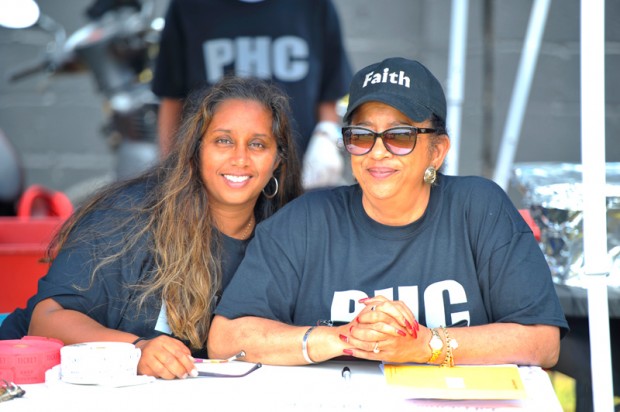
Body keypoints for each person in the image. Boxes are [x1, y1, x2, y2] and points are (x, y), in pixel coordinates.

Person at [207, 57, 569, 368]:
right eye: (362, 136)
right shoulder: (305, 220)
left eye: (399, 136)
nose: (377, 152)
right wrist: (341, 338)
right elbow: (225, 339)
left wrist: (426, 345)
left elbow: (542, 341)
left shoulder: (479, 208)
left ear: (437, 151)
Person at [0, 76, 303, 379]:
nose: (240, 158)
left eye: (257, 144)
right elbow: (46, 320)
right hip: (29, 380)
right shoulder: (131, 214)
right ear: (196, 149)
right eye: (223, 140)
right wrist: (136, 350)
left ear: (278, 159)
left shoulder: (288, 238)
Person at [151, 0, 352, 189]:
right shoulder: (188, 6)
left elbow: (329, 90)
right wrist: (170, 171)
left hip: (300, 175)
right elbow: (172, 97)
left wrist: (325, 136)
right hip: (211, 181)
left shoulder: (314, 5)